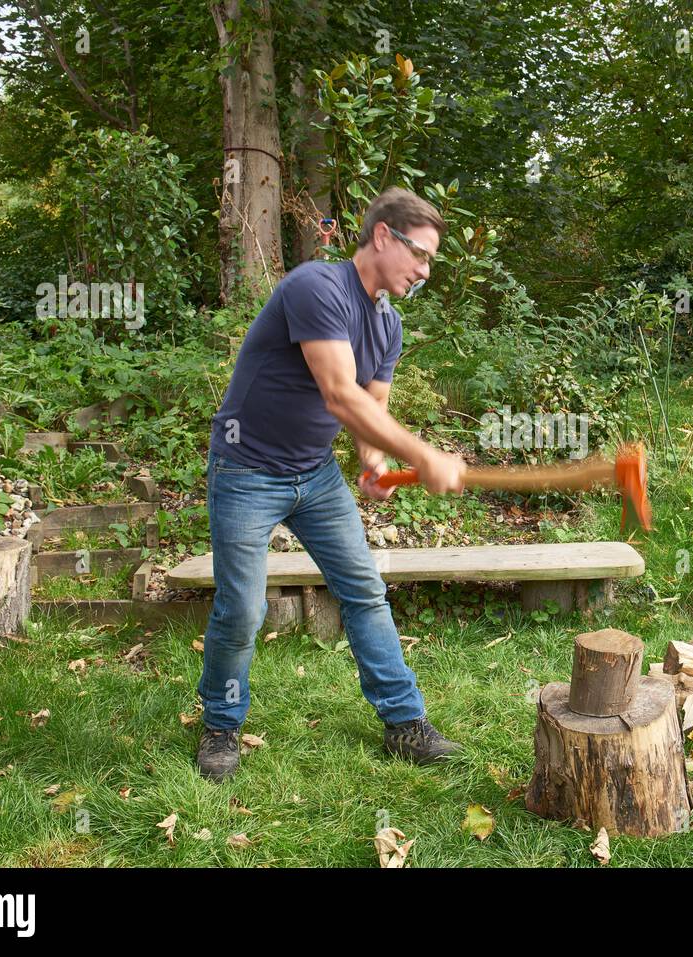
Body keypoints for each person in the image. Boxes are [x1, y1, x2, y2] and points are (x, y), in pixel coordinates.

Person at [195, 187, 467, 781]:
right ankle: (220, 725)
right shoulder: (315, 286)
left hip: (314, 474)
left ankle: (405, 724)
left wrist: (374, 462)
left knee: (365, 591)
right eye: (419, 256)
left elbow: (369, 409)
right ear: (381, 237)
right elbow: (340, 393)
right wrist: (423, 454)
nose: (424, 271)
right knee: (242, 608)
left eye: (429, 262)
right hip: (246, 471)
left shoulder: (388, 325)